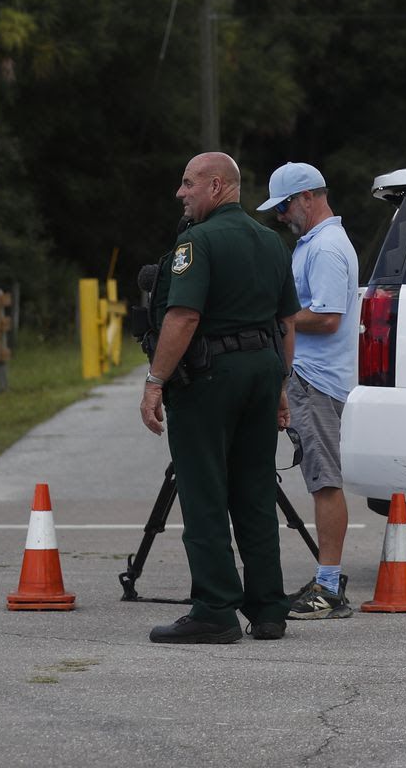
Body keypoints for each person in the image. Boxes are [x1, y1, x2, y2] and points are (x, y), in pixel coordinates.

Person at [138, 152, 298, 644]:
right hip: (261, 371)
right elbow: (287, 322)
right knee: (254, 490)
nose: (180, 193)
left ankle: (214, 610)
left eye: (187, 184)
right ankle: (269, 609)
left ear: (215, 186)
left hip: (210, 378)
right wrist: (279, 388)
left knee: (204, 490)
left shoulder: (197, 243)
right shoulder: (271, 241)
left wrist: (155, 381)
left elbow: (182, 318)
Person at [258, 161, 361, 620]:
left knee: (324, 481)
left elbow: (327, 317)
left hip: (317, 380)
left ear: (308, 197)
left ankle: (329, 586)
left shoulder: (325, 249)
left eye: (284, 206)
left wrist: (274, 314)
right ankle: (326, 580)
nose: (281, 216)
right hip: (308, 378)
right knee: (320, 479)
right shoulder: (313, 244)